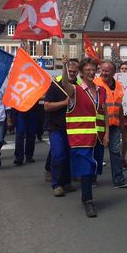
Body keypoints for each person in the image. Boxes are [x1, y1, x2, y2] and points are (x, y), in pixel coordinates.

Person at [61, 56, 108, 218]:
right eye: (87, 70)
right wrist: (65, 65)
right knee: (87, 170)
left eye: (93, 70)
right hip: (81, 137)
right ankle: (88, 201)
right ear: (81, 72)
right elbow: (64, 84)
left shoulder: (101, 91)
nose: (91, 72)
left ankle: (86, 196)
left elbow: (104, 112)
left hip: (97, 137)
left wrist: (107, 132)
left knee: (94, 170)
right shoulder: (75, 90)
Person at [94, 60, 127, 189]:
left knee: (115, 151)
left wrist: (122, 123)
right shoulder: (95, 83)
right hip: (98, 124)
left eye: (107, 71)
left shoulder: (118, 86)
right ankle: (91, 178)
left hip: (115, 124)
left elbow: (119, 106)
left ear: (114, 72)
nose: (104, 73)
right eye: (102, 70)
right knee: (96, 151)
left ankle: (118, 180)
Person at [43, 59, 80, 196]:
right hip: (56, 127)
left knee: (69, 155)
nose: (71, 73)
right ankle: (57, 184)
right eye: (69, 71)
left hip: (72, 128)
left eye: (74, 72)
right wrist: (64, 103)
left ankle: (66, 182)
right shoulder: (55, 86)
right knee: (58, 154)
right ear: (65, 70)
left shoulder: (78, 87)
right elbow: (47, 106)